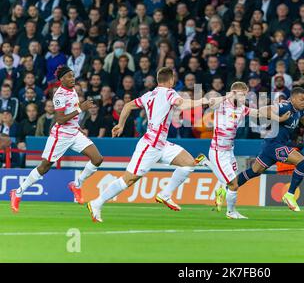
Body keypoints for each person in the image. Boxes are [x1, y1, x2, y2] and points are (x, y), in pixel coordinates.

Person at [86, 68, 223, 222]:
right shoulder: (170, 93)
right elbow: (183, 105)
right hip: (149, 145)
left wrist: (121, 124)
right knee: (128, 180)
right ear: (170, 80)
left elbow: (128, 106)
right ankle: (96, 203)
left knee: (189, 164)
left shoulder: (149, 95)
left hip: (162, 144)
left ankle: (165, 195)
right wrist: (204, 100)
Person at [10, 66, 104, 213]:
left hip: (74, 133)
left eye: (73, 76)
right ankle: (18, 192)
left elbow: (71, 110)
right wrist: (81, 109)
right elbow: (60, 119)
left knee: (97, 159)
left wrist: (77, 123)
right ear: (61, 80)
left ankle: (77, 184)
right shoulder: (59, 95)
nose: (72, 79)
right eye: (69, 77)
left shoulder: (72, 90)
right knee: (44, 166)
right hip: (60, 136)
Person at [235, 87, 304, 212]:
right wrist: (280, 119)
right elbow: (264, 110)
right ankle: (289, 195)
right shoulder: (285, 106)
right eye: (301, 99)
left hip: (271, 145)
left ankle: (227, 187)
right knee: (303, 163)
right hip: (274, 145)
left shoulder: (299, 111)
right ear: (292, 99)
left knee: (254, 171)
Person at [208, 81, 290, 219]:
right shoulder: (221, 105)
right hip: (218, 151)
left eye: (245, 95)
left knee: (232, 182)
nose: (244, 98)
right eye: (241, 95)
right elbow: (211, 102)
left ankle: (227, 203)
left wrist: (279, 118)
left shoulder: (242, 108)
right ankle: (230, 212)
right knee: (233, 184)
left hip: (229, 151)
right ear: (233, 93)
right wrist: (228, 96)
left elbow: (258, 113)